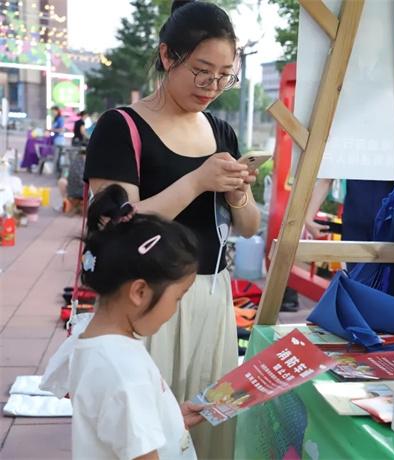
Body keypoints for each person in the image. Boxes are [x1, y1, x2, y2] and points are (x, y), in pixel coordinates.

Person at [84, 1, 260, 457]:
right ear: (167, 56)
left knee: (206, 423)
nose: (212, 87)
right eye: (202, 71)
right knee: (144, 433)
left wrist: (238, 192)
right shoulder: (121, 126)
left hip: (211, 296)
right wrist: (198, 180)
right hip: (145, 299)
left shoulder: (222, 131)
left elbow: (247, 226)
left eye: (224, 76)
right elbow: (116, 222)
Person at [41, 184, 206, 459]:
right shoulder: (124, 372)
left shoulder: (92, 342)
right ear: (139, 292)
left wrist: (171, 419)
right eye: (178, 297)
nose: (176, 309)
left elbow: (116, 425)